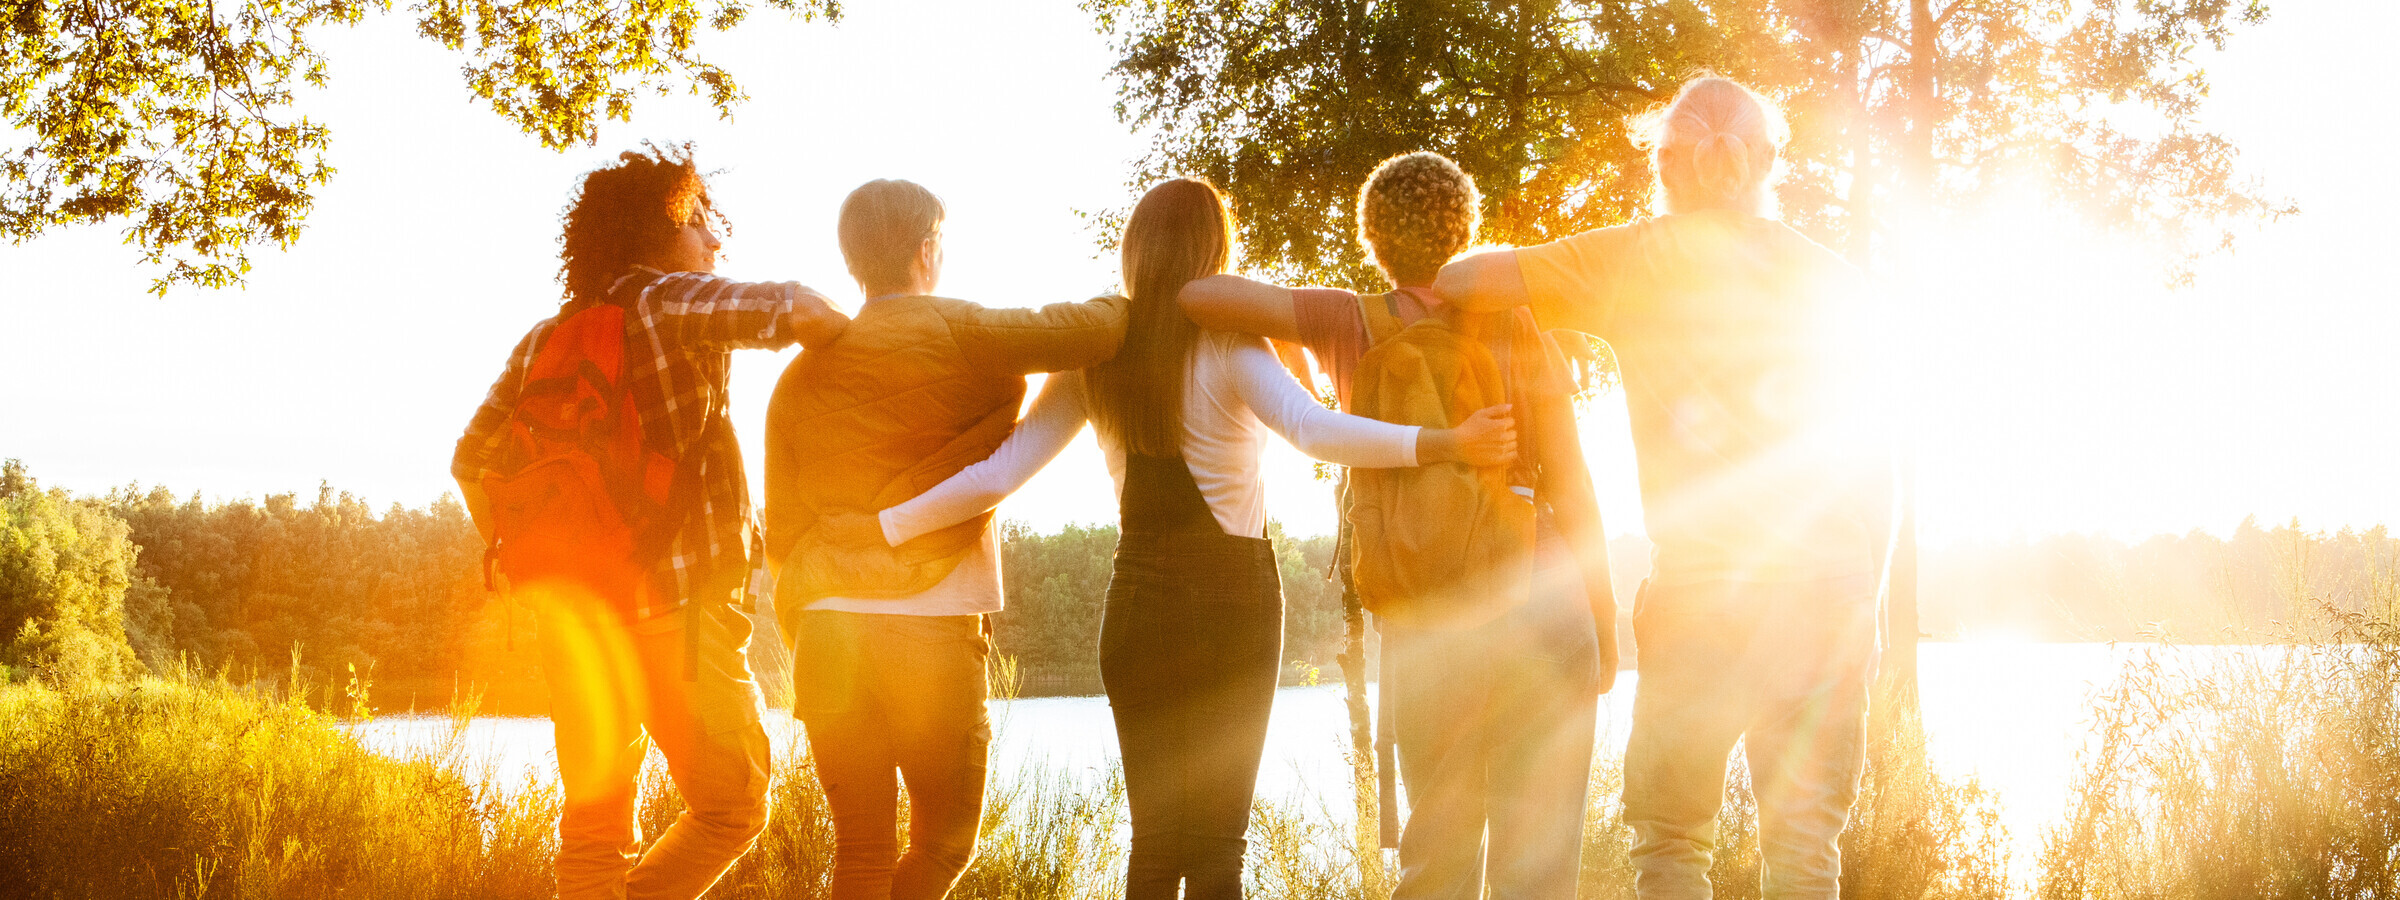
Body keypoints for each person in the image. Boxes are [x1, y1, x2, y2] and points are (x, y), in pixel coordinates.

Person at [849, 177, 1518, 900]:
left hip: (1134, 605)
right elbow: (1316, 431)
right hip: (1232, 606)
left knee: (1156, 845)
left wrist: (883, 526)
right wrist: (1448, 441)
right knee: (1217, 851)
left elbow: (996, 475)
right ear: (1214, 249)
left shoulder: (1097, 354)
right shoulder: (1228, 342)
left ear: (1135, 252)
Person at [1434, 77, 1893, 900]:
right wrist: (1873, 603)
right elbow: (1873, 467)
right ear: (1768, 161)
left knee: (1673, 841)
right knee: (1804, 843)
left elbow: (1464, 283)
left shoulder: (1629, 259)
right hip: (1827, 594)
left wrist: (1544, 311)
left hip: (1700, 601)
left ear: (1664, 164)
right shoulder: (1836, 281)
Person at [1177, 150, 1618, 899]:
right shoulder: (1520, 326)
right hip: (1541, 588)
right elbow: (1573, 483)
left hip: (1423, 600)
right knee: (1540, 862)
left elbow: (1197, 296)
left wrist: (1298, 335)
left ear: (1373, 239)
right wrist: (1603, 616)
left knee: (1437, 847)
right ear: (1466, 231)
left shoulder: (1351, 321)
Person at [452, 144, 849, 900]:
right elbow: (794, 309)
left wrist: (540, 558)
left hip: (577, 625)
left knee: (594, 830)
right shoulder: (672, 300)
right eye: (700, 220)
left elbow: (471, 462)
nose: (713, 240)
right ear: (661, 224)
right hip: (682, 613)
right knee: (734, 806)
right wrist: (894, 342)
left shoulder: (543, 340)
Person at [760, 179, 1131, 900]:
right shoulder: (963, 329)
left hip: (828, 627)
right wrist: (1136, 290)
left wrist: (824, 601)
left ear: (853, 259)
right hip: (931, 627)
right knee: (944, 843)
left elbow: (780, 528)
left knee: (860, 856)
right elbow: (1098, 331)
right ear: (928, 250)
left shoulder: (801, 376)